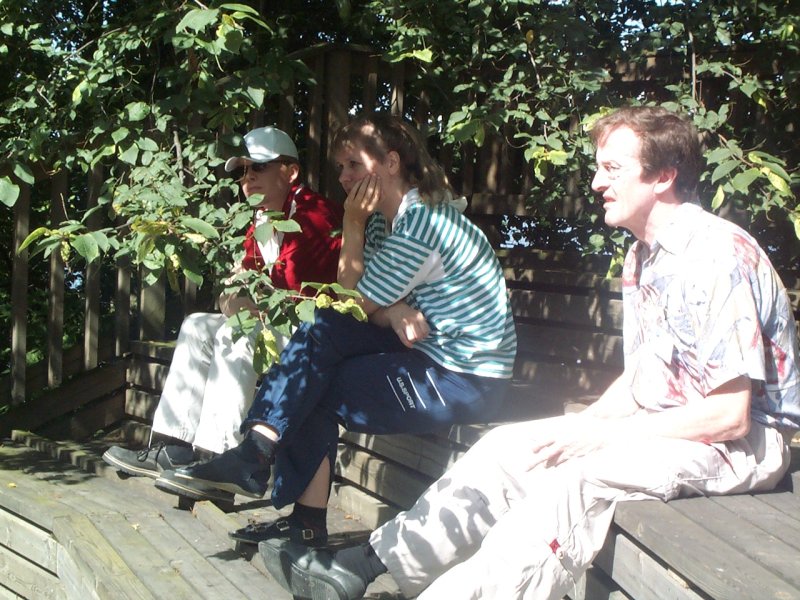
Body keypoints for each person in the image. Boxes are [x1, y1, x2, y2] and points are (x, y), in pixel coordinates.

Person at [259, 105, 800, 600]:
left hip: (741, 445)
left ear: (663, 177)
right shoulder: (645, 258)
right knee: (510, 446)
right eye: (599, 168)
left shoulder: (715, 256)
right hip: (670, 425)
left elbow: (729, 416)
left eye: (612, 169)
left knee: (575, 482)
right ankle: (364, 564)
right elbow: (645, 380)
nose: (596, 182)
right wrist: (582, 424)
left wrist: (598, 436)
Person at [161, 113, 517, 548]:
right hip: (425, 352)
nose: (344, 177)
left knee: (320, 355)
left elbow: (351, 304)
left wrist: (352, 226)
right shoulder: (386, 221)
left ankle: (259, 459)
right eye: (341, 167)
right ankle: (295, 508)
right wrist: (393, 308)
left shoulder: (422, 223)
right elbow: (356, 304)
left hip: (464, 378)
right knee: (318, 350)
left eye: (354, 165)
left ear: (391, 162)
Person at [102, 126, 344, 504]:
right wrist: (237, 298)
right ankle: (174, 447)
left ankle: (219, 461)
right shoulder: (262, 219)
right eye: (243, 171)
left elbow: (286, 295)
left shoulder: (314, 214)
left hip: (314, 335)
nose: (247, 178)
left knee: (237, 333)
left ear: (291, 172)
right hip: (279, 324)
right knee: (197, 325)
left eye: (258, 167)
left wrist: (240, 299)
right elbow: (234, 293)